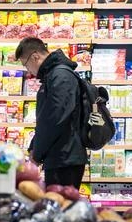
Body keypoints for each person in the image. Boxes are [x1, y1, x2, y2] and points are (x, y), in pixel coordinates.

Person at [15, 37, 88, 188]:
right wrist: (34, 147)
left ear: (35, 56)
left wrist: (37, 154)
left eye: (26, 64)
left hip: (65, 159)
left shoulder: (60, 76)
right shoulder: (53, 75)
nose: (28, 70)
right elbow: (48, 118)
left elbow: (55, 119)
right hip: (60, 156)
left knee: (61, 201)